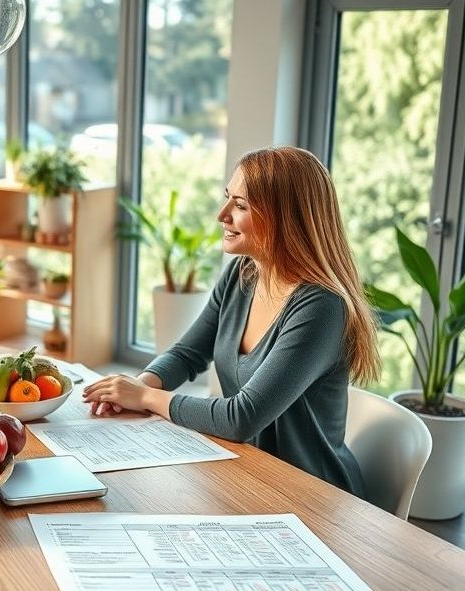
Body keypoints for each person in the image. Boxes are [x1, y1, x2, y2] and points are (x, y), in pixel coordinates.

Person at [83, 146, 380, 496]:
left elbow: (241, 417)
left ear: (285, 218)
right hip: (250, 472)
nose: (222, 215)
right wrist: (137, 386)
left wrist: (147, 398)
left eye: (240, 206)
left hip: (311, 493)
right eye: (228, 199)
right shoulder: (243, 274)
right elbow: (187, 354)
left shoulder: (321, 307)